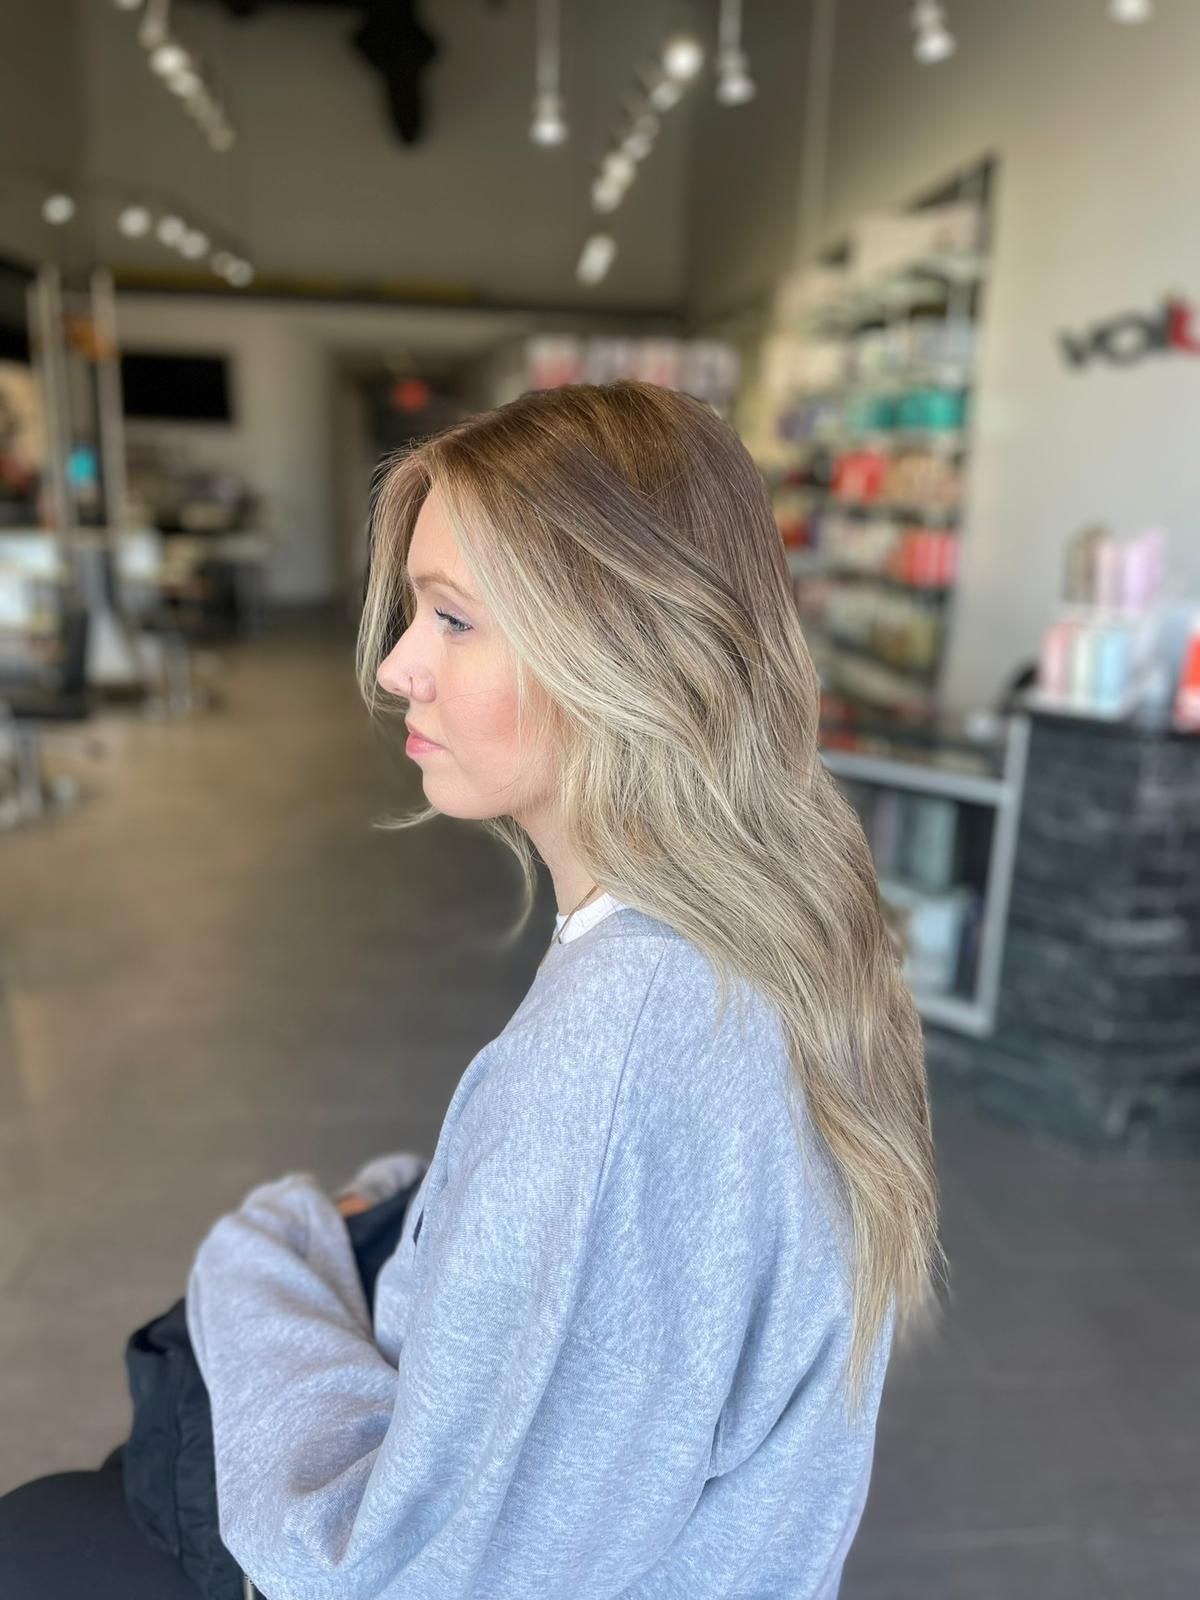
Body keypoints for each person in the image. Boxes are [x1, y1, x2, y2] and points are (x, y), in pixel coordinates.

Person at [0, 379, 945, 1599]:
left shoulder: (622, 1041)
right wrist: (435, 1194)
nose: (399, 667)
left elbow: (401, 1574)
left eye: (452, 620)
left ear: (619, 646)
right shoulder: (773, 942)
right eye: (411, 613)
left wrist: (262, 1251)